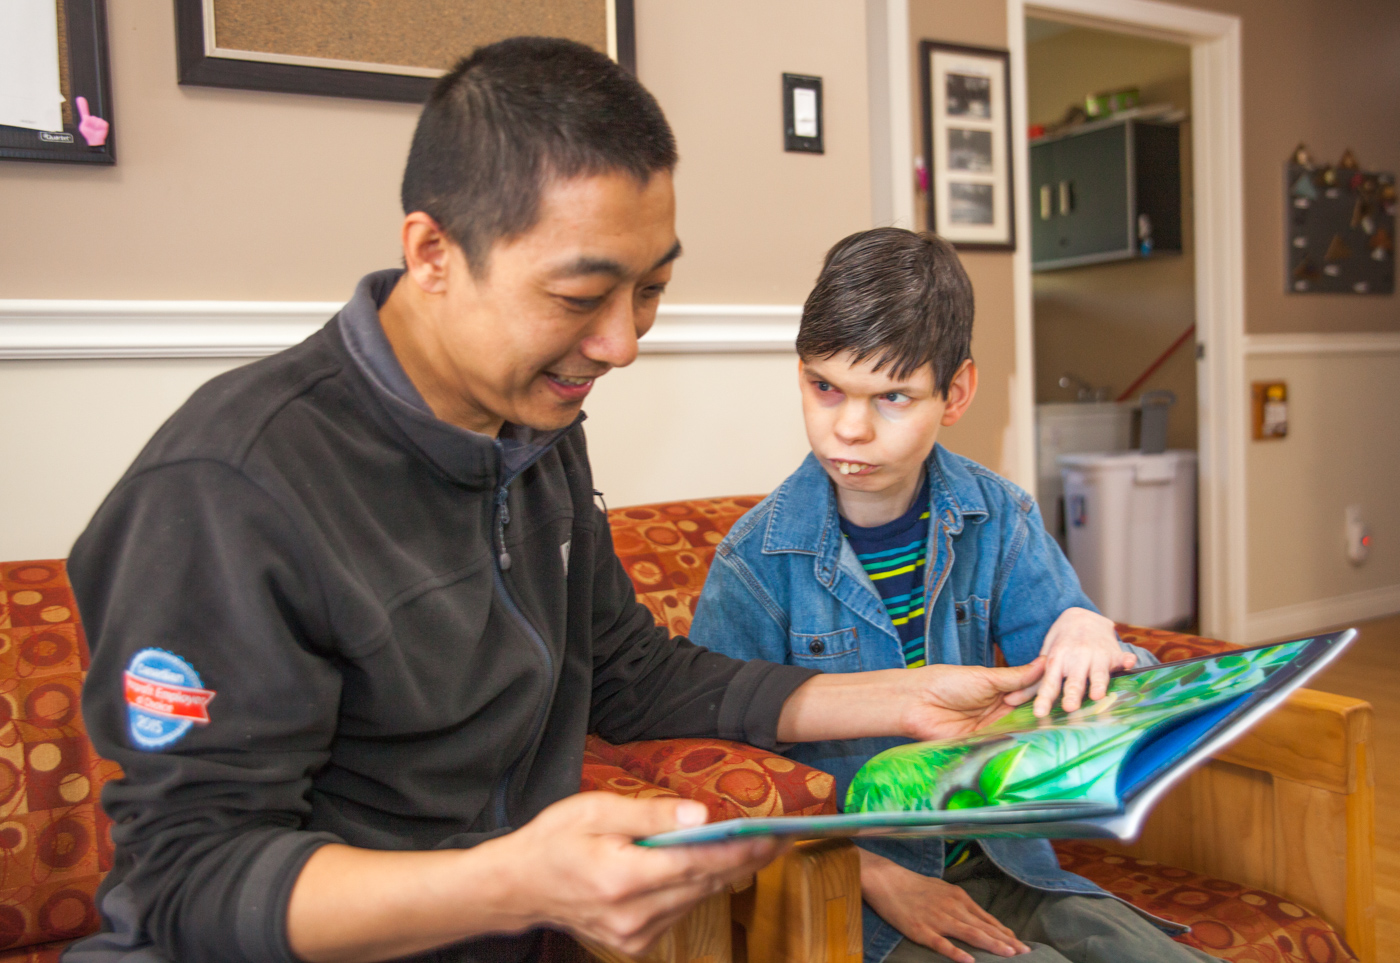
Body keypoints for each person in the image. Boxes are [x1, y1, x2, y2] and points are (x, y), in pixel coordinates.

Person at [66, 40, 1050, 963]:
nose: (623, 343)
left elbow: (626, 672)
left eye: (653, 289)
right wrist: (513, 883)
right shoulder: (225, 487)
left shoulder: (534, 429)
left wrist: (900, 697)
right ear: (432, 254)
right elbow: (185, 881)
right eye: (580, 298)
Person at [689, 228, 1218, 963]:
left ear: (957, 392)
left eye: (893, 396)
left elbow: (1093, 690)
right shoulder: (755, 561)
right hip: (851, 895)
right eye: (825, 386)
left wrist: (1089, 631)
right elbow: (723, 785)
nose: (849, 425)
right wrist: (872, 875)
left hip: (1010, 863)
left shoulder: (999, 517)